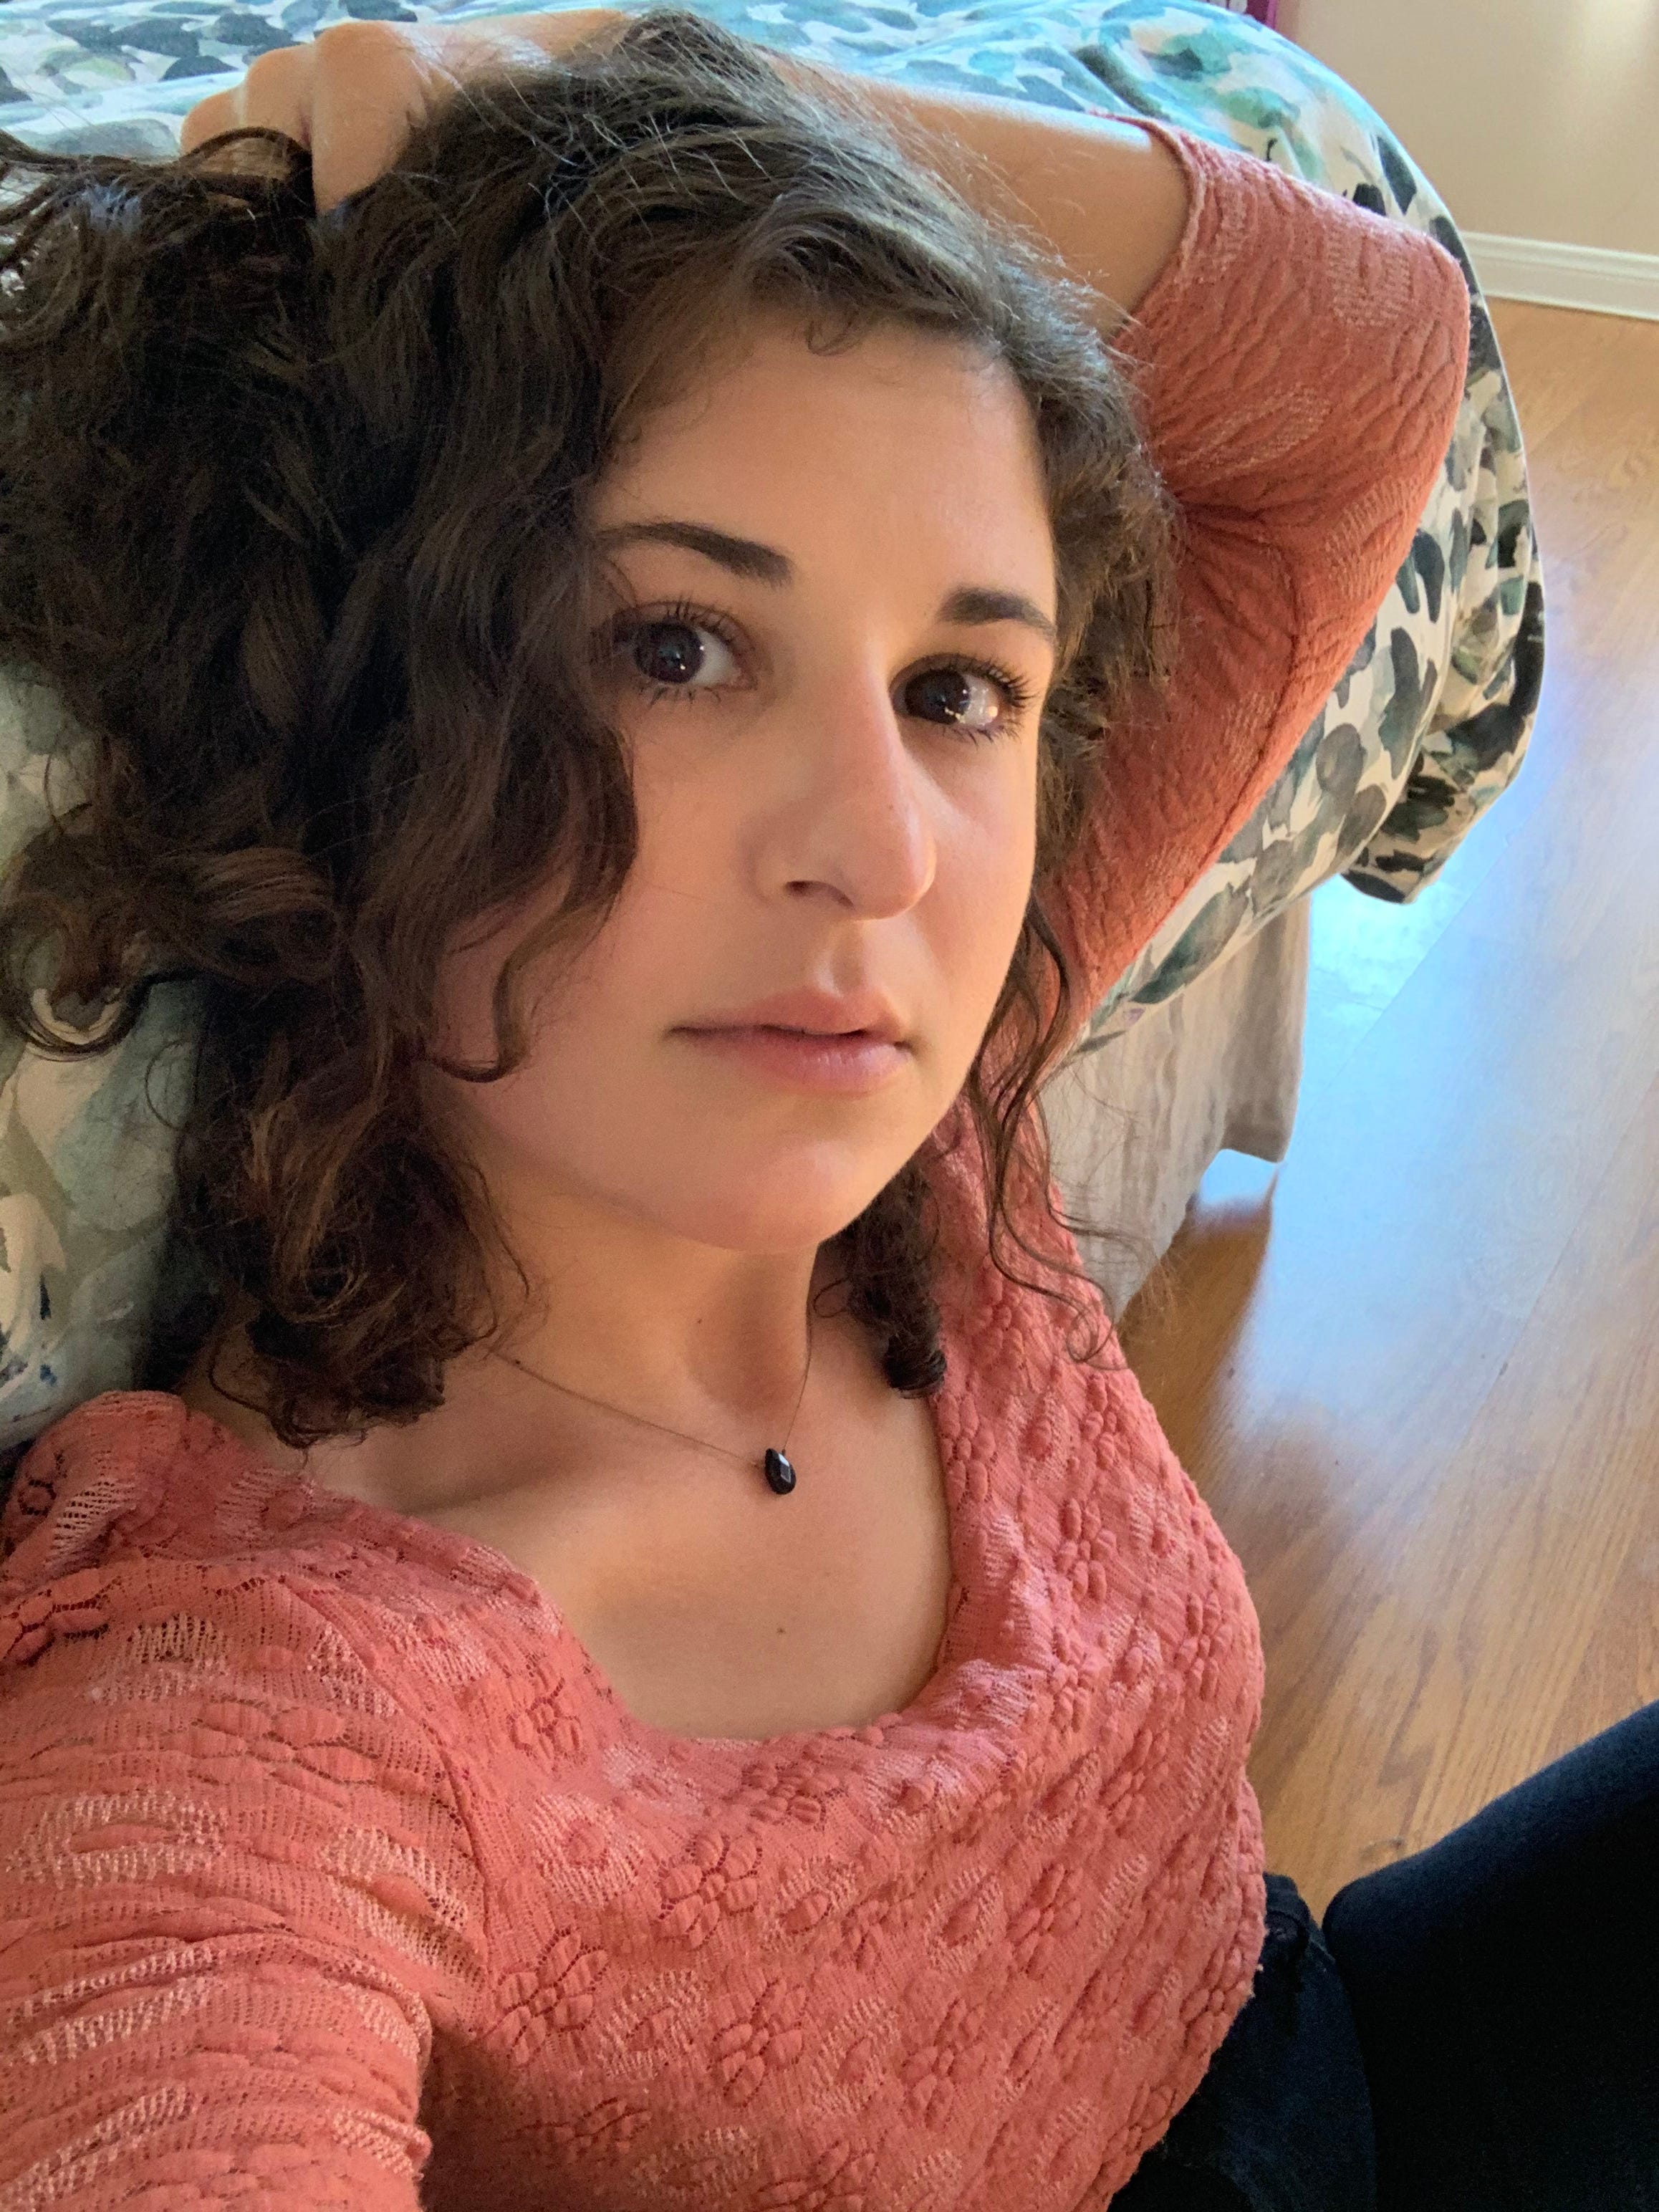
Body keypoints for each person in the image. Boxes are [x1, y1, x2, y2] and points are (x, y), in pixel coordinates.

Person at [0, 9, 1648, 2208]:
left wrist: (614, 83)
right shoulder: (248, 1733)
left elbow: (1367, 355)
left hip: (1318, 2052)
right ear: (338, 707)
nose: (883, 856)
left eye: (958, 686)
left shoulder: (921, 1129)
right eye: (673, 646)